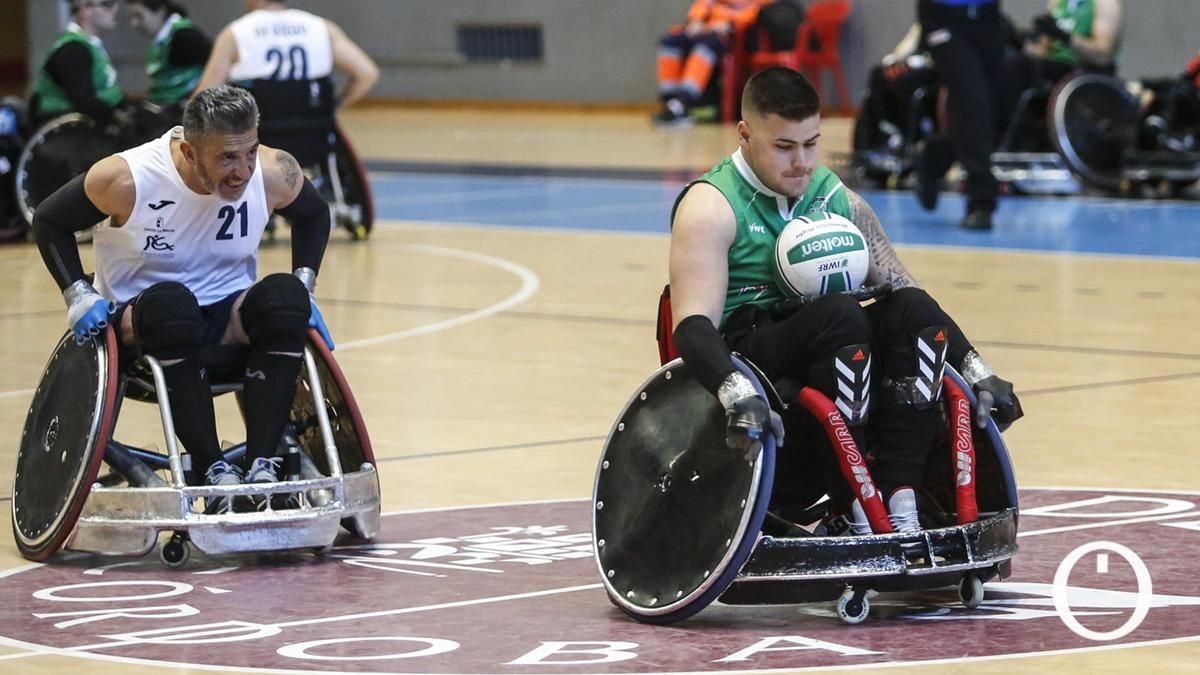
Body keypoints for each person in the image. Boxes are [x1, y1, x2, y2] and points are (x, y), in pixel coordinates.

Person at [669, 67, 1022, 534]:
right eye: (784, 147)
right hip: (756, 350)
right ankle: (853, 502)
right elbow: (692, 325)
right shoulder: (711, 206)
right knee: (841, 316)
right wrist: (738, 394)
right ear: (745, 134)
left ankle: (901, 496)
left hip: (835, 340)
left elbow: (906, 290)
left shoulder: (836, 198)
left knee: (912, 312)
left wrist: (979, 370)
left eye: (811, 144)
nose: (801, 163)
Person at [32, 85, 336, 513]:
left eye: (249, 152)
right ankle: (212, 469)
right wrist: (78, 293)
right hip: (144, 321)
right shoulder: (127, 178)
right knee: (175, 306)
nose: (243, 170)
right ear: (190, 153)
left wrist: (304, 283)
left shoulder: (273, 170)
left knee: (285, 298)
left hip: (227, 316)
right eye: (227, 157)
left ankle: (263, 464)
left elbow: (315, 213)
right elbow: (48, 220)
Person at [912, 0, 1010, 231]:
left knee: (998, 108)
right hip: (943, 16)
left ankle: (935, 156)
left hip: (987, 16)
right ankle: (980, 200)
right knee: (972, 100)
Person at [194, 0, 379, 109]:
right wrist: (333, 107)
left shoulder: (235, 34)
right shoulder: (322, 28)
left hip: (256, 140)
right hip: (312, 137)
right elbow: (367, 74)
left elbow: (203, 96)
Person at [653, 0, 763, 128]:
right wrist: (696, 20)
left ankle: (682, 103)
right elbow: (702, 6)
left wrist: (728, 24)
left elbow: (753, 14)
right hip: (703, 30)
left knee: (703, 50)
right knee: (669, 44)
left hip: (729, 36)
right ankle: (670, 101)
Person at [29, 0, 124, 128]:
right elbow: (86, 104)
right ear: (85, 9)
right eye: (107, 4)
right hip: (66, 133)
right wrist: (123, 119)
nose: (115, 9)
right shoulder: (73, 49)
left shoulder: (89, 44)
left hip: (85, 129)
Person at [127, 0, 213, 107]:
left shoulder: (185, 37)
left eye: (139, 16)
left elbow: (216, 67)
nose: (134, 23)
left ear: (160, 11)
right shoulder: (160, 41)